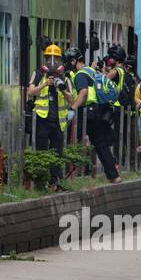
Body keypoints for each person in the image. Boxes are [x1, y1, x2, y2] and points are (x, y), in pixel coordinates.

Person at [69, 48, 120, 183]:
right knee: (100, 144)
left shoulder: (80, 74)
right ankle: (114, 176)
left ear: (74, 61)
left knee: (69, 139)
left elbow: (84, 92)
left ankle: (64, 175)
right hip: (99, 111)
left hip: (87, 112)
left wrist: (73, 107)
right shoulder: (91, 71)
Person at [28, 45, 72, 188]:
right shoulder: (38, 74)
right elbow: (30, 92)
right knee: (41, 151)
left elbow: (71, 99)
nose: (52, 63)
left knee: (57, 153)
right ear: (45, 59)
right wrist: (45, 84)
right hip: (42, 119)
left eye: (56, 59)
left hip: (58, 121)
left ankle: (54, 182)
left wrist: (62, 89)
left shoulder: (65, 76)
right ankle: (41, 182)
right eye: (48, 59)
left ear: (60, 60)